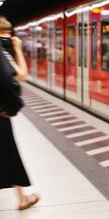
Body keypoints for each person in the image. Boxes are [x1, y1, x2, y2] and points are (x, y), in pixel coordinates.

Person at [0, 16, 40, 210]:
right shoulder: (3, 53)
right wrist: (16, 49)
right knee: (9, 154)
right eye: (5, 35)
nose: (7, 38)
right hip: (0, 115)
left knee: (7, 154)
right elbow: (21, 75)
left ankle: (22, 197)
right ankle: (23, 199)